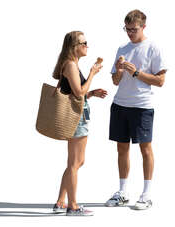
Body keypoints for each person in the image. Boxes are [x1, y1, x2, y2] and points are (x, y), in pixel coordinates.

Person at [105, 10, 167, 210]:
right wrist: (120, 71)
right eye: (127, 29)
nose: (130, 33)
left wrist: (137, 72)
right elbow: (115, 81)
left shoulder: (153, 48)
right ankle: (123, 192)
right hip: (120, 104)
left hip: (141, 106)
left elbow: (160, 81)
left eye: (133, 29)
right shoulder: (122, 47)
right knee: (121, 149)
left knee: (145, 149)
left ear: (143, 27)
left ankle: (146, 194)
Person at [52, 31, 107, 216]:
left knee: (74, 162)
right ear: (74, 46)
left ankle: (60, 202)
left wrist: (92, 94)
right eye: (84, 43)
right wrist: (93, 73)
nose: (87, 46)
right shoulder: (71, 65)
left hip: (78, 114)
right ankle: (72, 206)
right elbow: (78, 93)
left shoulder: (71, 65)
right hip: (76, 117)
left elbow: (78, 93)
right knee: (75, 163)